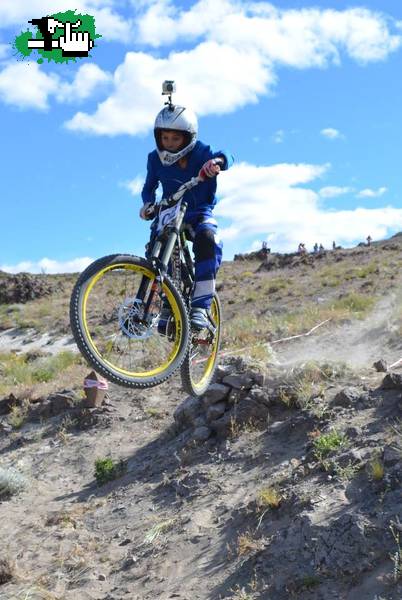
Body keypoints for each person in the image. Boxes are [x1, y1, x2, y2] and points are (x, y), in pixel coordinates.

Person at [140, 92, 234, 331]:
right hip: (169, 210)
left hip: (198, 211)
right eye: (165, 137)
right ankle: (168, 303)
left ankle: (201, 306)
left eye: (175, 138)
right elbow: (149, 187)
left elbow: (229, 156)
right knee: (157, 250)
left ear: (188, 138)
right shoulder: (154, 159)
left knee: (208, 239)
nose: (169, 143)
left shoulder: (202, 151)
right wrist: (147, 204)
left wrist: (217, 163)